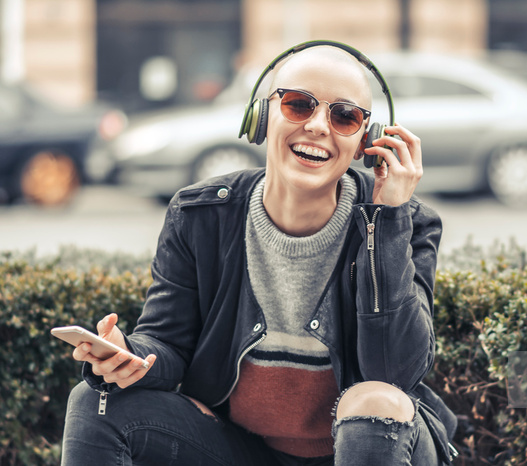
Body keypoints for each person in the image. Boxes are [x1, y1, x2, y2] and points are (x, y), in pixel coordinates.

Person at [61, 41, 457, 465]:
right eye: (299, 105)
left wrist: (388, 219)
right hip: (243, 449)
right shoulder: (201, 215)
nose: (319, 126)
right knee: (93, 402)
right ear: (262, 115)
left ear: (367, 141)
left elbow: (394, 373)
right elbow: (168, 344)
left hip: (372, 447)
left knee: (373, 402)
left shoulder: (404, 223)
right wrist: (132, 356)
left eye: (345, 116)